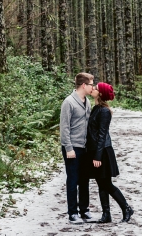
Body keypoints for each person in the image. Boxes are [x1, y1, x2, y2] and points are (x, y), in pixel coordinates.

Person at [86, 82, 134, 223]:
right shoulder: (96, 108)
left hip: (102, 152)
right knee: (101, 183)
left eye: (96, 88)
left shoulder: (104, 111)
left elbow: (102, 135)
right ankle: (106, 214)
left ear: (100, 93)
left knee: (106, 184)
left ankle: (126, 208)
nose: (93, 88)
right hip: (96, 150)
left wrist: (98, 156)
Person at [59, 72, 95, 224]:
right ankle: (72, 213)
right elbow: (64, 127)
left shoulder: (87, 101)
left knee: (85, 180)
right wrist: (69, 148)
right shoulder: (69, 102)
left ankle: (84, 210)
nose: (93, 87)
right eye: (91, 84)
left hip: (85, 147)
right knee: (73, 180)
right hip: (72, 147)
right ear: (83, 85)